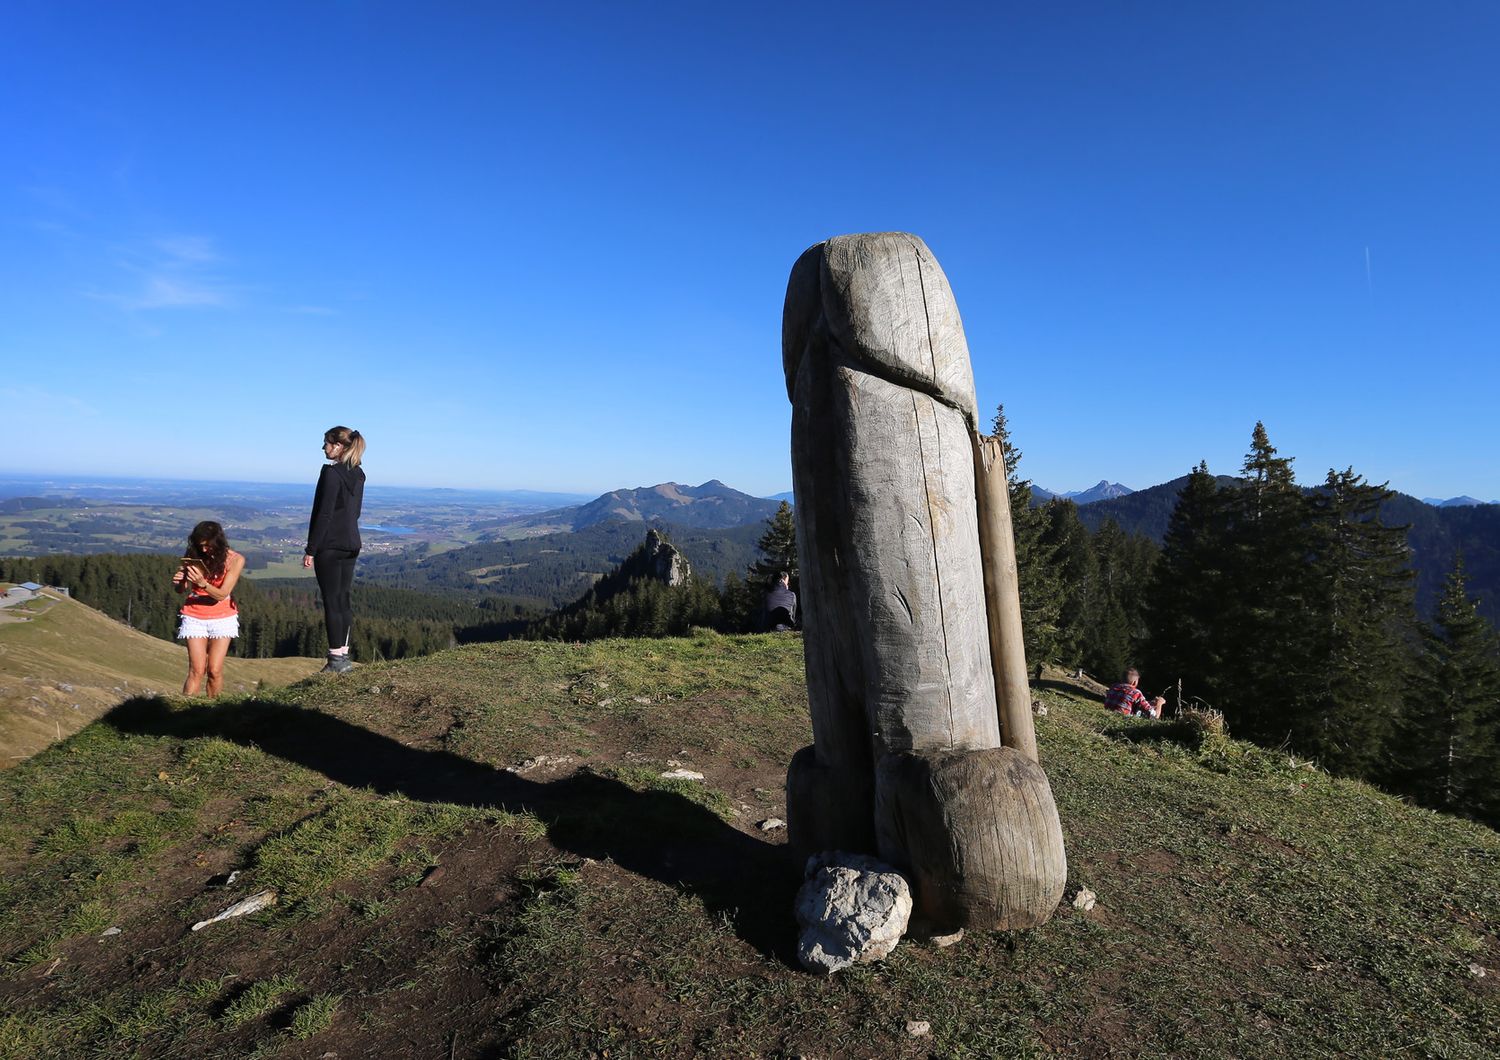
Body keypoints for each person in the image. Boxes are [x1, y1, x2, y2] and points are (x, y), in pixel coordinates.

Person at [303, 425, 366, 673]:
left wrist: (311, 549)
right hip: (352, 543)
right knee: (343, 599)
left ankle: (335, 660)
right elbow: (356, 512)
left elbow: (324, 514)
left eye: (327, 443)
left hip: (330, 545)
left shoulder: (332, 474)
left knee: (331, 601)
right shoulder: (358, 474)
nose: (323, 447)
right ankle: (343, 655)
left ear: (338, 446)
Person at [172, 520, 245, 697]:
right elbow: (181, 590)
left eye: (208, 545)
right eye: (200, 545)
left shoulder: (235, 560)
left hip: (223, 617)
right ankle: (185, 712)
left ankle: (213, 713)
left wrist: (202, 583)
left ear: (218, 542)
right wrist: (180, 582)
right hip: (195, 615)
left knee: (214, 670)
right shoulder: (194, 555)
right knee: (196, 670)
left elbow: (222, 594)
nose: (204, 550)